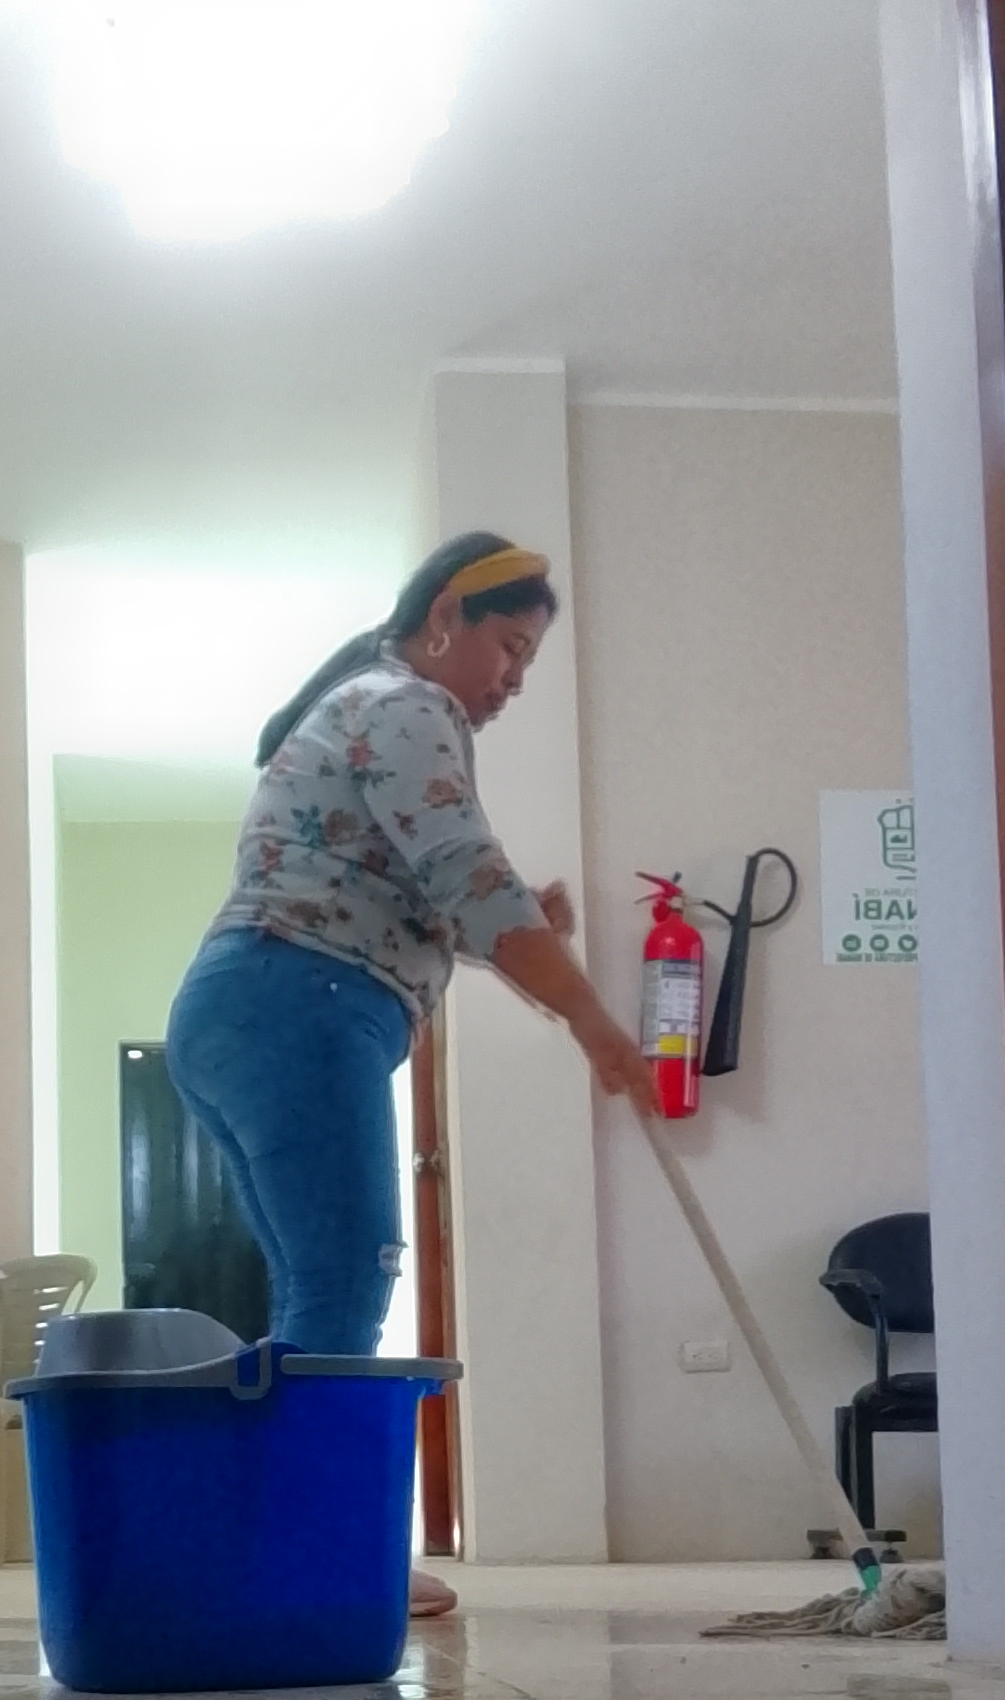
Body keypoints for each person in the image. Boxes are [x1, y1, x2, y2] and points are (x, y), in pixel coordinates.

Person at [165, 531, 660, 1614]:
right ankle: (320, 1560)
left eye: (528, 663)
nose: (514, 682)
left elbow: (435, 897)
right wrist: (589, 1018)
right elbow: (467, 876)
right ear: (445, 620)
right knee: (347, 1282)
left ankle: (277, 1546)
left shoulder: (368, 705)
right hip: (300, 1002)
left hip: (254, 1005)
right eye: (510, 648)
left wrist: (521, 931)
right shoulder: (407, 704)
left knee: (319, 1288)